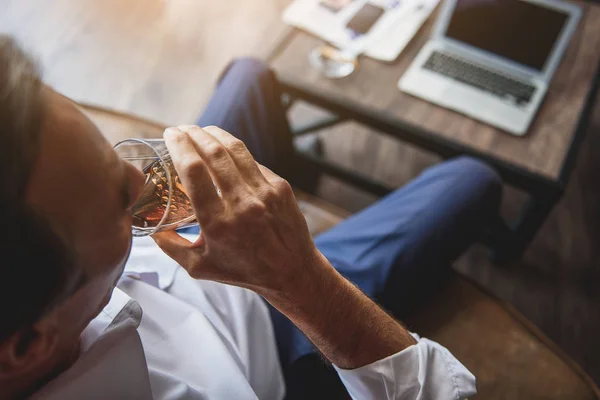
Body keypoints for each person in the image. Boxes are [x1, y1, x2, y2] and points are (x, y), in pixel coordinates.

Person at [0, 35, 501, 399]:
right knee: (472, 181)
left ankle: (300, 169)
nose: (140, 179)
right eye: (113, 196)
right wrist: (298, 278)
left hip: (198, 258)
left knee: (249, 75)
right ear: (28, 345)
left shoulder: (39, 273)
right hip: (282, 334)